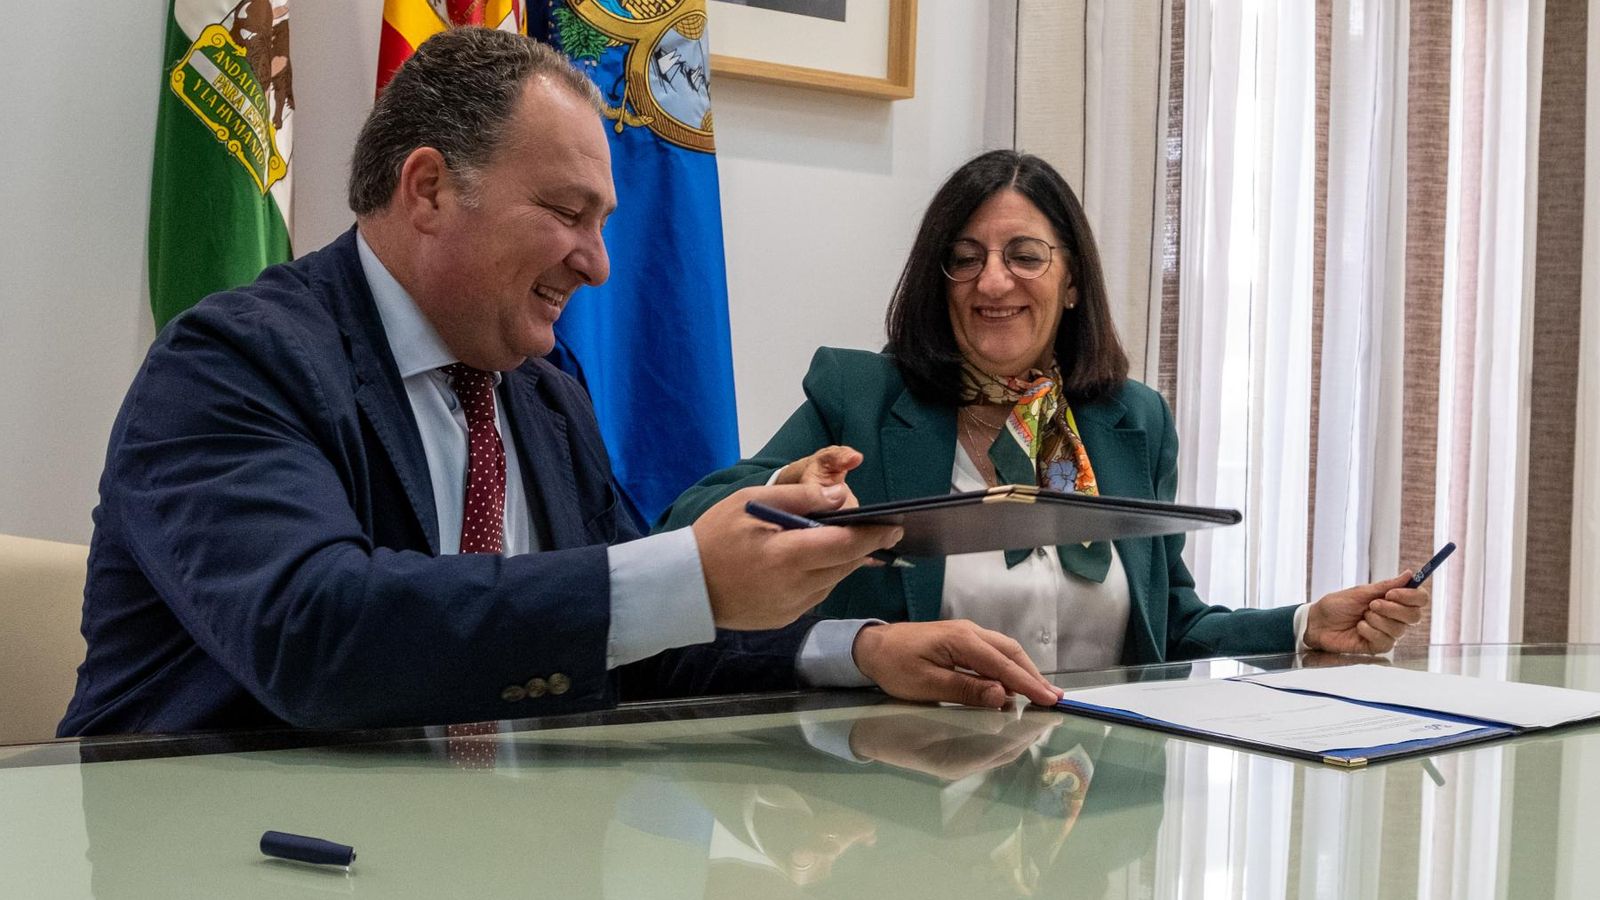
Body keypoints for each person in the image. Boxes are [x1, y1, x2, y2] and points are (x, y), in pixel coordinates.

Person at [58, 31, 1061, 738]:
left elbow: (625, 630)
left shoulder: (540, 385)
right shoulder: (234, 361)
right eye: (566, 212)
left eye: (605, 222)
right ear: (429, 188)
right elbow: (314, 633)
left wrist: (860, 647)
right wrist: (688, 574)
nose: (598, 264)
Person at [661, 150, 1430, 671]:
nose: (992, 282)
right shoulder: (861, 399)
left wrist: (1302, 627)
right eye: (965, 259)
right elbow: (685, 525)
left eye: (1024, 255)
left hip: (1093, 814)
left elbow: (1173, 628)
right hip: (898, 797)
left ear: (1070, 281)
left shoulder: (1133, 421)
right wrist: (796, 490)